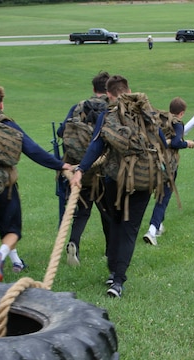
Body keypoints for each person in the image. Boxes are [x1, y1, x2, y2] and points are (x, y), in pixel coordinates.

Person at [70, 75, 168, 298]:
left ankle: (114, 270)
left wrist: (81, 169)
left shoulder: (108, 115)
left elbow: (95, 146)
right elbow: (161, 142)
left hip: (115, 180)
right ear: (129, 90)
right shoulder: (148, 114)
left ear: (109, 94)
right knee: (130, 230)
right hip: (143, 180)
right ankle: (118, 280)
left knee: (115, 222)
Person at [0, 85, 73, 282]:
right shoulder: (6, 125)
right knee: (14, 231)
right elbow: (32, 150)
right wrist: (60, 164)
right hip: (3, 187)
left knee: (3, 226)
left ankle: (17, 262)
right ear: (1, 104)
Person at [57, 71, 112, 267]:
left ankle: (74, 244)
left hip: (77, 170)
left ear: (93, 89)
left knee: (82, 211)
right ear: (109, 90)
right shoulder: (110, 109)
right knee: (107, 213)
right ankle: (109, 251)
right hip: (102, 170)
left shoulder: (78, 107)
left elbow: (61, 131)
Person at [143, 97, 194, 246]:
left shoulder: (160, 119)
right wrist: (188, 143)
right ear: (181, 113)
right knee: (163, 198)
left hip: (150, 163)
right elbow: (175, 142)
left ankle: (158, 225)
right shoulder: (177, 124)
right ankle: (152, 230)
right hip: (168, 165)